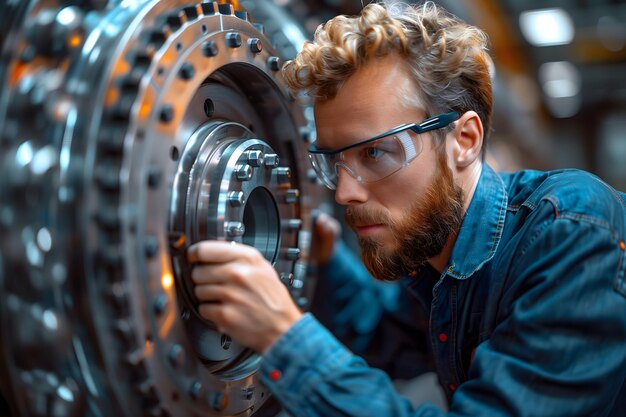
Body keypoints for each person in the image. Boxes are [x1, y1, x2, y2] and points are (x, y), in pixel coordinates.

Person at [186, 1, 626, 416]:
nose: (344, 194)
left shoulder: (572, 235)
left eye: (375, 154)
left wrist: (285, 339)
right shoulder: (437, 250)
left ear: (464, 141)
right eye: (334, 161)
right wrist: (325, 263)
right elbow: (383, 334)